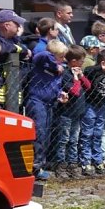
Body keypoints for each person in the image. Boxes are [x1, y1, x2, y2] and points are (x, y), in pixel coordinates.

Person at [25, 39, 68, 181]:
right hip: (36, 101)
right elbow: (40, 55)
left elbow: (55, 85)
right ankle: (34, 167)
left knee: (46, 135)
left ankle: (40, 164)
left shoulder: (59, 70)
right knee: (39, 133)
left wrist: (60, 93)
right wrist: (54, 62)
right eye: (61, 57)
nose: (63, 60)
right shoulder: (41, 62)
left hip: (50, 103)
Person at [53, 45, 91, 178]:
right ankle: (61, 164)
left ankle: (72, 163)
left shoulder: (79, 73)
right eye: (81, 60)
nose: (82, 63)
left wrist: (81, 76)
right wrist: (75, 78)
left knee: (74, 140)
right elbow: (74, 92)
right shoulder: (66, 74)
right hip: (67, 113)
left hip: (78, 112)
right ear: (74, 61)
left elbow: (88, 86)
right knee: (64, 140)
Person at [80, 47, 105, 175]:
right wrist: (101, 69)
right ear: (103, 63)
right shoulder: (93, 71)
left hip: (101, 106)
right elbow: (87, 70)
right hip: (90, 106)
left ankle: (97, 159)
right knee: (87, 134)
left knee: (98, 133)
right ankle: (86, 161)